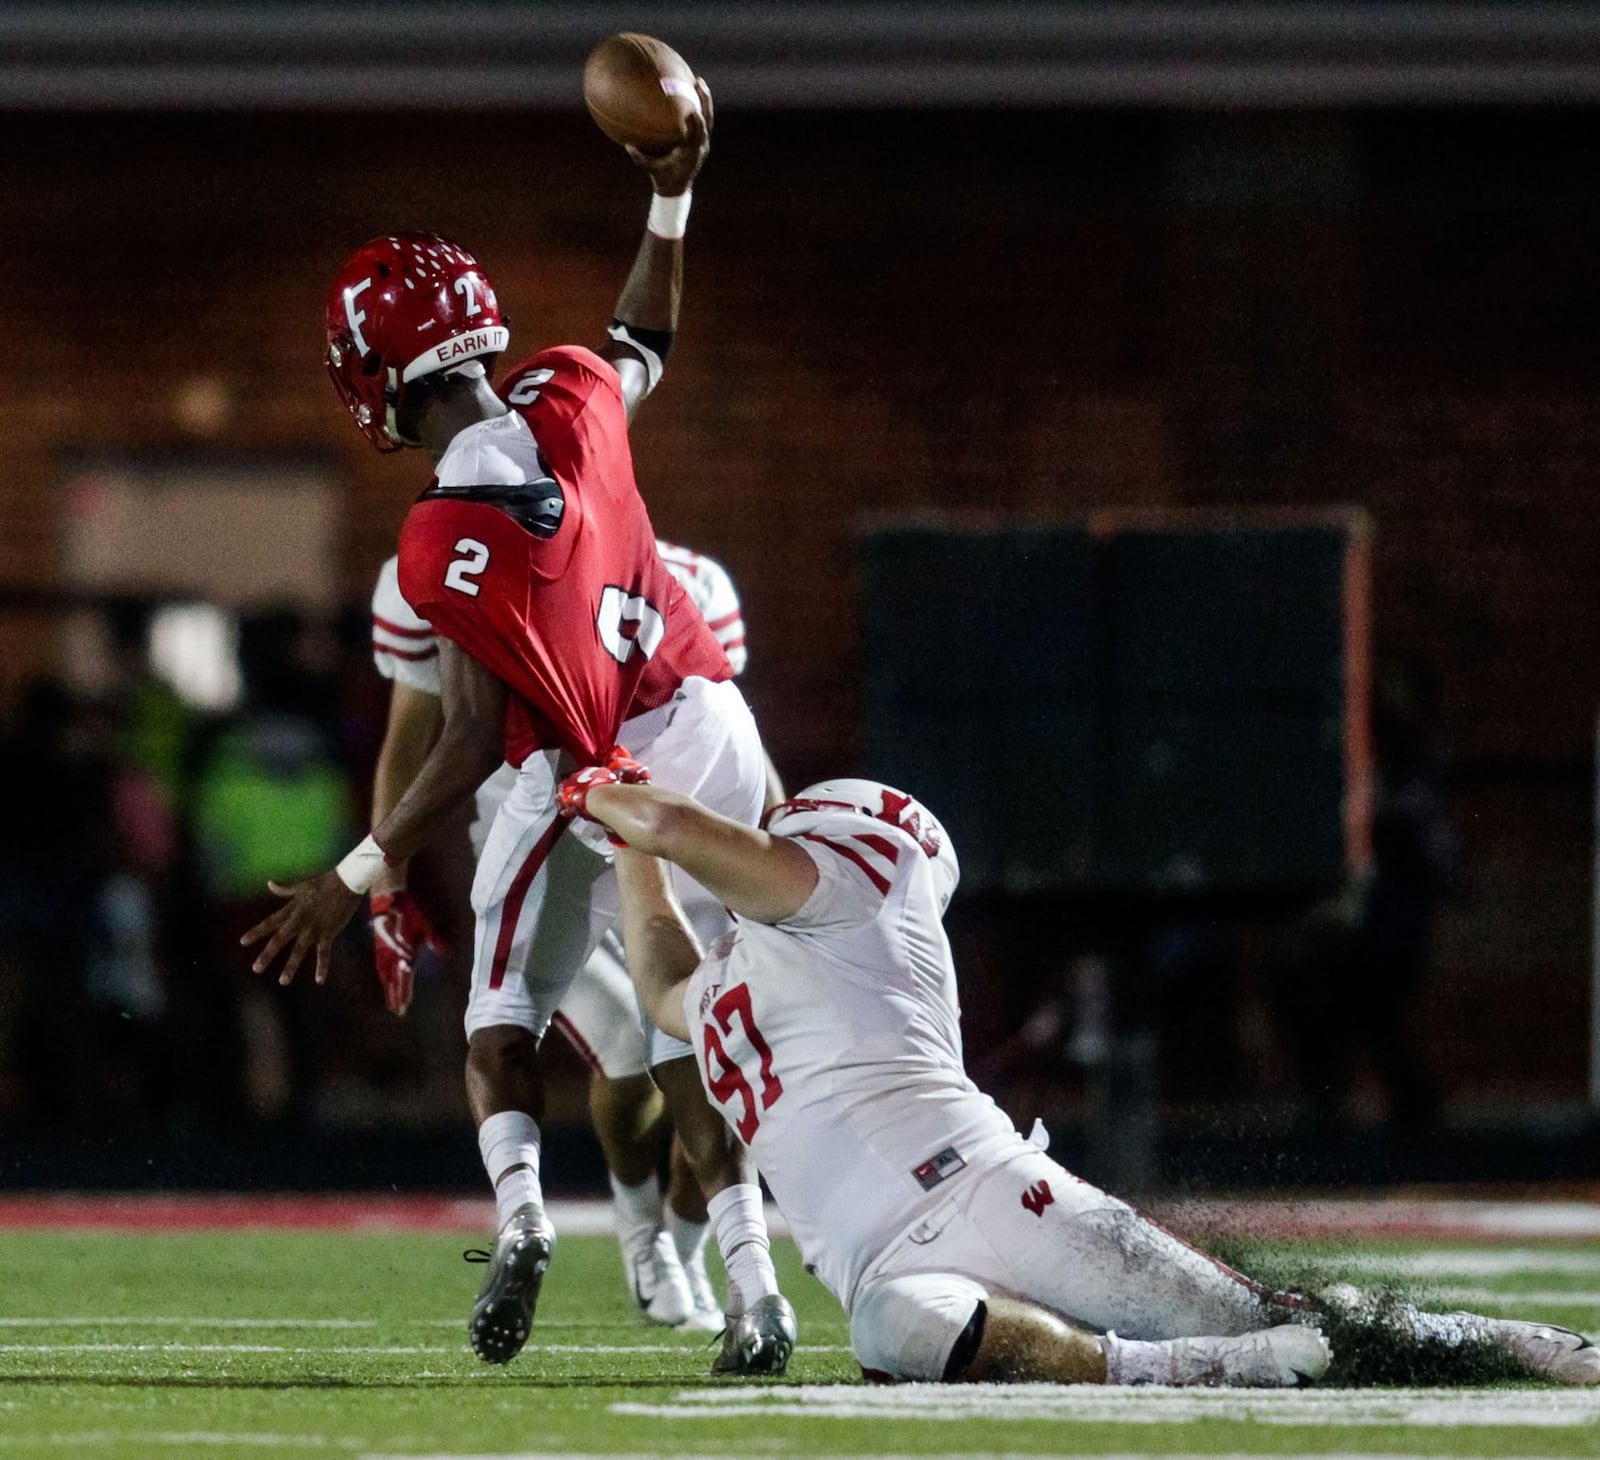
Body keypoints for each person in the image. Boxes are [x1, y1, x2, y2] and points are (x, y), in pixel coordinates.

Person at [243, 85, 795, 1376]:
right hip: (706, 720)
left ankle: (528, 1220)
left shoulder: (437, 543)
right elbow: (641, 339)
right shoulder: (570, 391)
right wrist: (672, 193)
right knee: (682, 1027)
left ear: (377, 376)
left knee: (503, 1012)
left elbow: (468, 737)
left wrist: (353, 877)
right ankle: (760, 1295)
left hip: (586, 769)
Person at [558, 764, 1600, 1388]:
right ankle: (1187, 1377)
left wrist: (607, 786)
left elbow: (684, 828)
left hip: (983, 1191)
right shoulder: (748, 974)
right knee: (893, 1328)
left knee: (1270, 1314)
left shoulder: (854, 893)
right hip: (887, 1263)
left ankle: (1521, 1344)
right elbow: (661, 978)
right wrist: (622, 846)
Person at [368, 539, 763, 1332]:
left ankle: (689, 1250)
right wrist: (386, 883)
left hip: (653, 836)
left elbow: (727, 721)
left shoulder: (691, 578)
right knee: (628, 1039)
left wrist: (772, 858)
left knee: (711, 1049)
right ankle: (641, 1230)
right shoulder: (456, 560)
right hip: (543, 837)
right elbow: (414, 738)